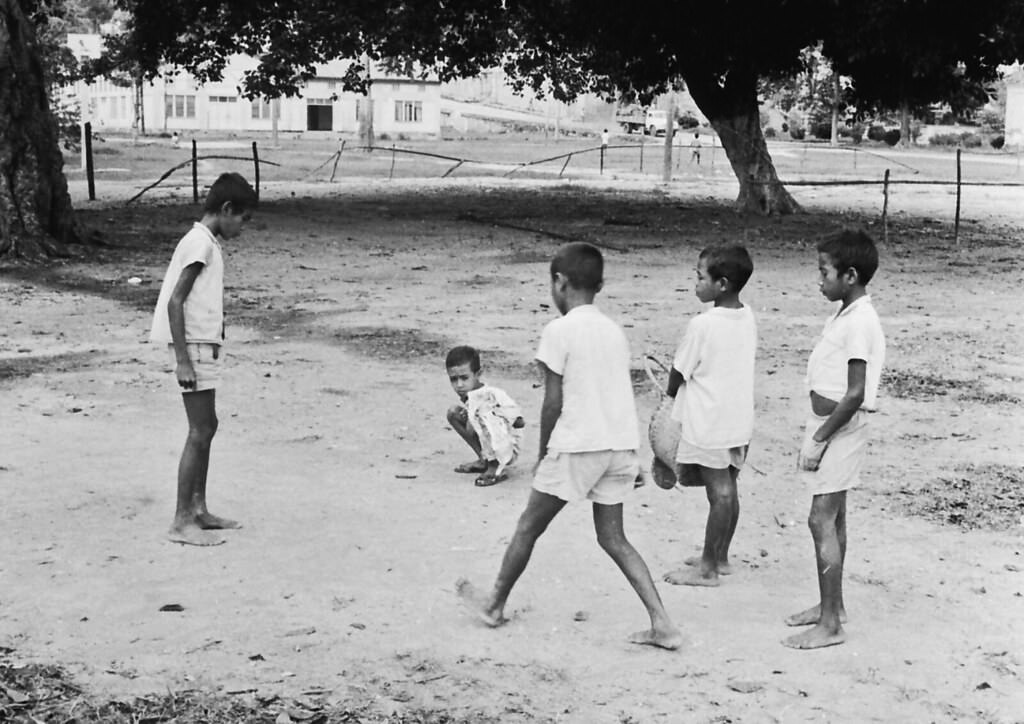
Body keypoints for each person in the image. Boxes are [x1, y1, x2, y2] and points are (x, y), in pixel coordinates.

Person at [457, 242, 683, 650]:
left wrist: (544, 453)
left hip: (577, 445)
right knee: (614, 538)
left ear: (559, 283)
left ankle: (493, 605)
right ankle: (662, 623)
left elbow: (553, 401)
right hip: (616, 446)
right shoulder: (613, 330)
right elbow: (619, 394)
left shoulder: (557, 331)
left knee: (528, 525)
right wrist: (632, 457)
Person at [783, 229, 886, 650]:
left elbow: (856, 392)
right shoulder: (845, 313)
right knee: (835, 517)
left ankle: (830, 625)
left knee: (819, 518)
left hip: (841, 430)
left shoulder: (861, 321)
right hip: (831, 427)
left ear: (850, 275)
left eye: (824, 271)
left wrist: (820, 438)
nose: (818, 279)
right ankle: (833, 606)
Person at [150, 172, 258, 546]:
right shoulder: (201, 245)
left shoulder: (205, 241)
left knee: (208, 426)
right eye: (243, 219)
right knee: (199, 431)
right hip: (192, 348)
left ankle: (198, 508)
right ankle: (182, 520)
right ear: (227, 210)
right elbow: (175, 302)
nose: (243, 228)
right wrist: (183, 359)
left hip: (202, 345)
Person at [658, 244, 756, 588]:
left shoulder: (702, 325)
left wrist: (668, 399)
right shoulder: (747, 315)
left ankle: (708, 569)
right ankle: (720, 556)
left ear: (722, 284)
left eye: (700, 278)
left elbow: (678, 372)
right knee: (730, 486)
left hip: (710, 421)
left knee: (720, 494)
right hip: (738, 420)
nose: (695, 284)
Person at [445, 345, 525, 487]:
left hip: (506, 447)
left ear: (478, 374)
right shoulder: (471, 396)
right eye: (454, 379)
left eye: (464, 378)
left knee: (486, 415)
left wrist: (498, 416)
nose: (459, 385)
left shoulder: (491, 394)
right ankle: (484, 460)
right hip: (490, 442)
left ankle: (495, 467)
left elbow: (519, 421)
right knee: (454, 413)